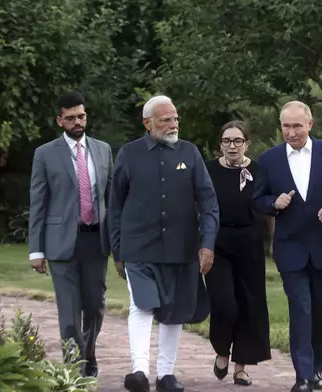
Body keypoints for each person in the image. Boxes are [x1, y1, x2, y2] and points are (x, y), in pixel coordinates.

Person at [108, 95, 219, 392]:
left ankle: (166, 374)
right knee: (142, 305)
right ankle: (139, 371)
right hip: (138, 248)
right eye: (165, 120)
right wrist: (117, 250)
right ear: (148, 123)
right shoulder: (129, 155)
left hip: (182, 248)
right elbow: (115, 205)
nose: (172, 124)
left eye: (175, 118)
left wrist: (207, 244)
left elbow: (208, 202)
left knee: (175, 310)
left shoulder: (190, 153)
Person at [252, 101, 322, 392]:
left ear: (310, 124)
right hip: (291, 248)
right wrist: (274, 203)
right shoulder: (270, 159)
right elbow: (257, 199)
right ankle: (303, 375)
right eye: (286, 126)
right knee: (300, 309)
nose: (291, 132)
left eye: (297, 125)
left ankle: (317, 369)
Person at [28, 91, 114, 378]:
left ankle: (88, 354)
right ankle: (75, 368)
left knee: (94, 307)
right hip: (60, 243)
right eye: (71, 118)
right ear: (60, 120)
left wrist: (118, 240)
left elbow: (111, 199)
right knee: (69, 311)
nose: (78, 122)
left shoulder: (103, 150)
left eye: (81, 116)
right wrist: (36, 250)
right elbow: (38, 203)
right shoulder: (45, 154)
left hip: (95, 240)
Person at [204, 121, 272, 387]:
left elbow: (268, 207)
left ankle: (241, 367)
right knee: (224, 302)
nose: (232, 146)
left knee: (248, 305)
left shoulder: (259, 171)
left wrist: (274, 240)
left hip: (250, 243)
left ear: (247, 143)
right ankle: (222, 350)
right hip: (218, 243)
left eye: (237, 141)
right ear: (220, 144)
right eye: (226, 141)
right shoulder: (208, 170)